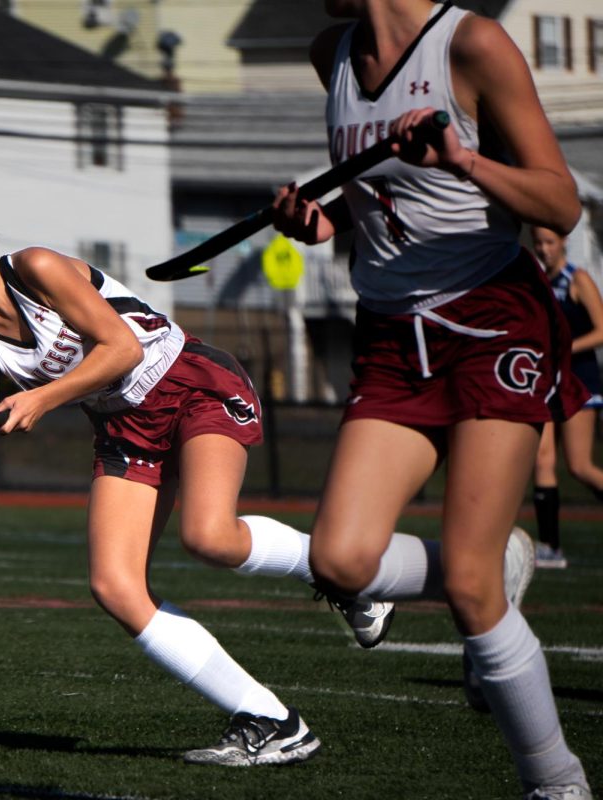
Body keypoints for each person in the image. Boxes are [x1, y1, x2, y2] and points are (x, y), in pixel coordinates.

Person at [0, 203, 411, 767]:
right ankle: (272, 721)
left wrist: (41, 396)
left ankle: (348, 575)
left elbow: (123, 349)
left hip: (190, 386)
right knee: (115, 587)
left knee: (210, 537)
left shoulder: (35, 268)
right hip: (123, 429)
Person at [270, 1, 591, 796]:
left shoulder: (472, 43)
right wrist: (324, 219)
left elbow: (559, 203)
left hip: (490, 319)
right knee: (341, 560)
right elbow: (377, 194)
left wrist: (464, 160)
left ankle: (557, 782)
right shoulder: (332, 53)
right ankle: (505, 560)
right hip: (389, 332)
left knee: (469, 588)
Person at [530, 225, 603, 569]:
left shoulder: (579, 280)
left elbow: (602, 331)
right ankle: (550, 547)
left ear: (563, 243)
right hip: (547, 380)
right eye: (538, 242)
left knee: (579, 466)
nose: (543, 249)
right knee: (542, 460)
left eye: (549, 242)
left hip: (580, 379)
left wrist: (563, 349)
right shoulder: (538, 282)